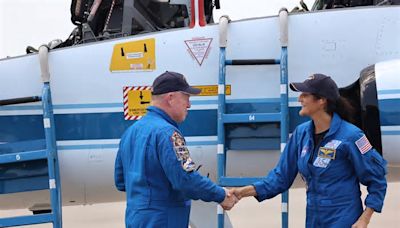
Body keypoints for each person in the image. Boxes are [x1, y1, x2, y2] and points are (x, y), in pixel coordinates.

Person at [231, 74, 387, 227]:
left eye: (305, 95)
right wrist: (242, 192)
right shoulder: (301, 134)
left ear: (321, 100)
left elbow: (377, 179)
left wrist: (364, 219)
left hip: (344, 219)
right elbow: (280, 178)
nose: (300, 99)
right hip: (314, 219)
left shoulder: (352, 136)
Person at [114, 71, 237, 228]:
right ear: (170, 98)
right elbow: (185, 179)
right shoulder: (168, 134)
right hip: (163, 221)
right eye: (186, 97)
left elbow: (121, 181)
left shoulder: (130, 132)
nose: (189, 104)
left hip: (135, 219)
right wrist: (220, 194)